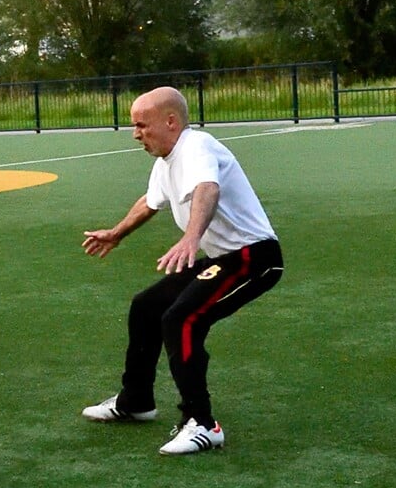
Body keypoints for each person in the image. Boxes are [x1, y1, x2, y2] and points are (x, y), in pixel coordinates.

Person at [79, 86, 284, 455]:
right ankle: (136, 400)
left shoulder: (197, 146)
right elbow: (150, 202)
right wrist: (116, 234)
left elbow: (208, 187)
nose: (135, 133)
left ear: (171, 121)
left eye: (142, 124)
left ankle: (203, 424)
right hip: (223, 257)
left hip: (255, 258)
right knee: (146, 306)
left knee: (182, 319)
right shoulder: (166, 161)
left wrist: (192, 238)